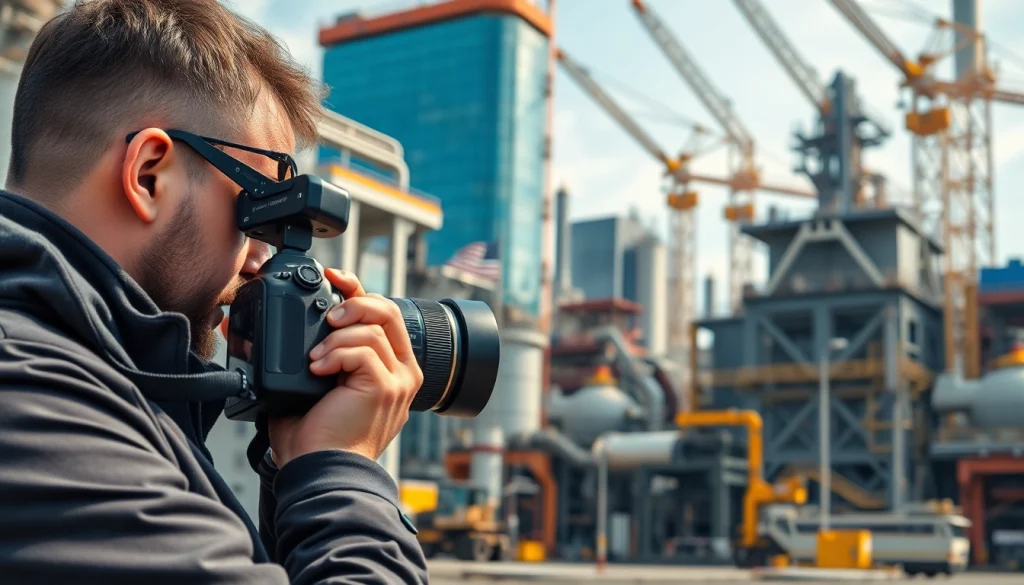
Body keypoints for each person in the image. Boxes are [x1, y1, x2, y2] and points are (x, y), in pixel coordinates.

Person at [0, 0, 430, 583]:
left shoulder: (107, 385)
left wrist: (292, 469)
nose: (262, 259)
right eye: (258, 210)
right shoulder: (36, 400)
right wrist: (342, 469)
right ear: (150, 173)